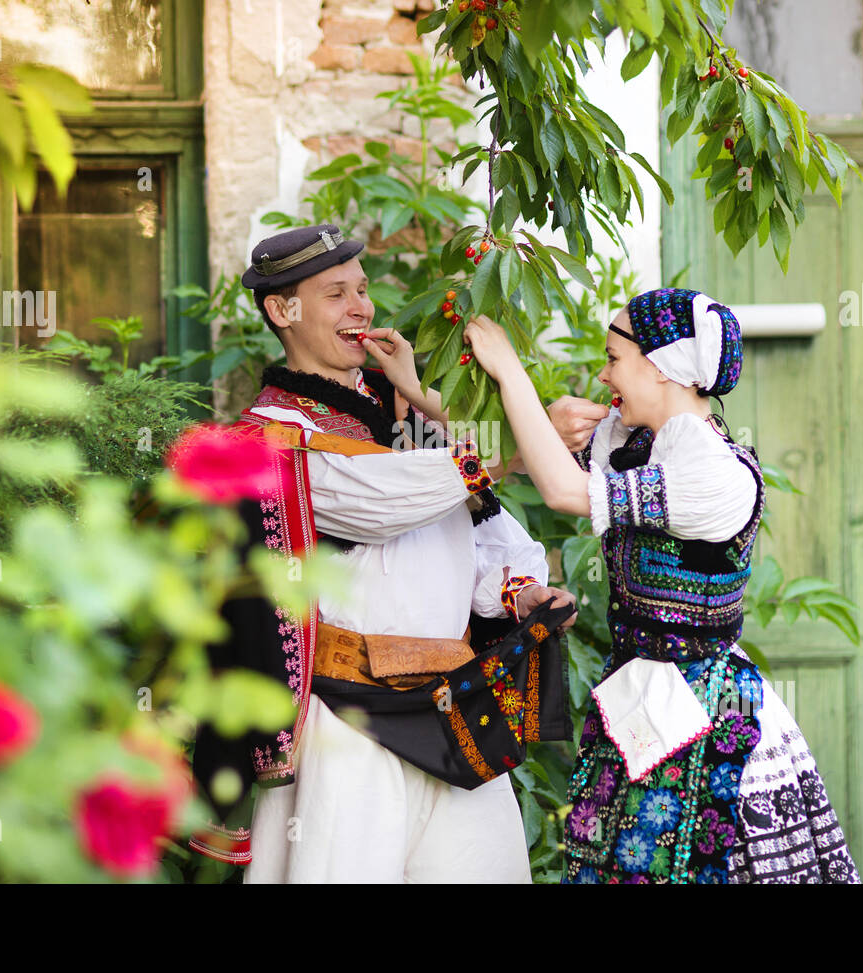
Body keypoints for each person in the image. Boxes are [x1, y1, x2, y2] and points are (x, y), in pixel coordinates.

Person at [187, 223, 578, 883]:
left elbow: (484, 534)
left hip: (452, 709)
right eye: (336, 293)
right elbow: (380, 501)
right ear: (283, 310)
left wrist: (522, 590)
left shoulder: (405, 422)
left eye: (362, 290)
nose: (361, 308)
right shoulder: (267, 442)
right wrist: (514, 454)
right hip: (349, 722)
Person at [462, 288, 860, 883]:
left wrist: (511, 369)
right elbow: (506, 456)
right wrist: (411, 387)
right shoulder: (638, 448)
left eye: (614, 359)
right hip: (637, 700)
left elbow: (563, 492)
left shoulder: (714, 473)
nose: (603, 374)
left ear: (659, 365)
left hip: (705, 711)